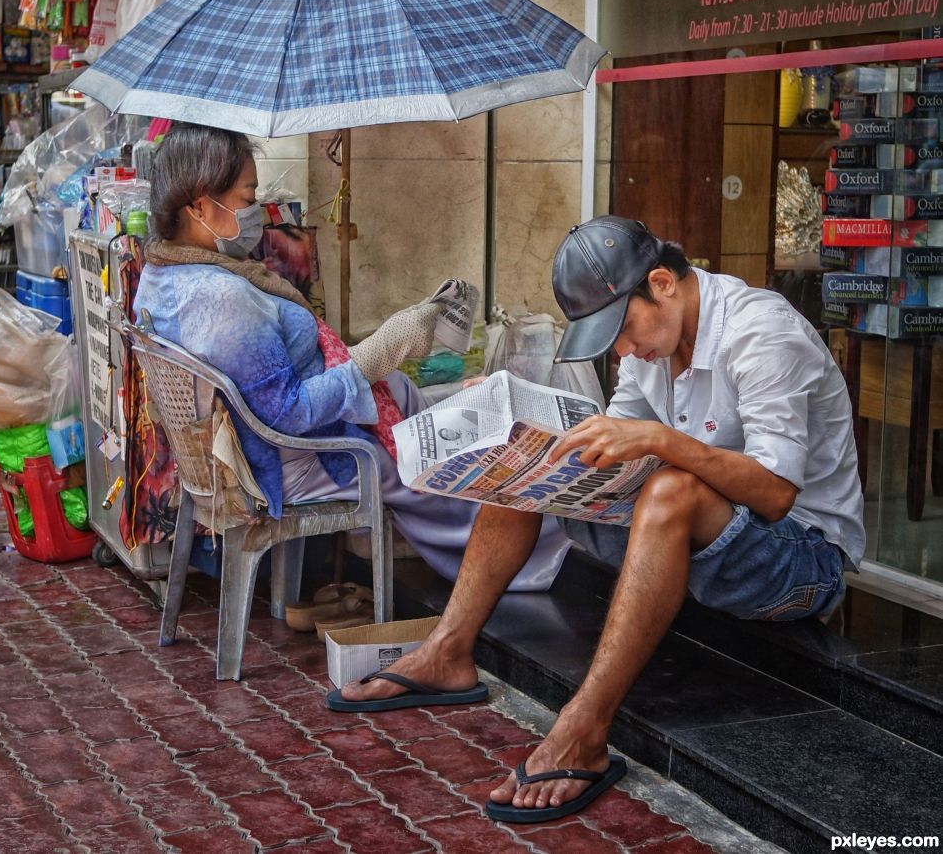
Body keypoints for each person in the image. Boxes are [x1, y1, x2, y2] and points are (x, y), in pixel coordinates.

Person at [330, 215, 865, 825]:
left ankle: (584, 729)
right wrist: (548, 451)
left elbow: (773, 495)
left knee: (669, 489)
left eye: (624, 330)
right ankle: (448, 651)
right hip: (698, 539)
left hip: (800, 561)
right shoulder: (653, 339)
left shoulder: (761, 334)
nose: (624, 351)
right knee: (528, 463)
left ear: (662, 283)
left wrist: (660, 440)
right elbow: (620, 441)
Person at [132, 123, 570, 588]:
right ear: (200, 204)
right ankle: (530, 560)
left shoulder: (162, 274)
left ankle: (531, 525)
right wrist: (379, 352)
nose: (256, 211)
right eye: (247, 199)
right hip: (305, 457)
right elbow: (288, 413)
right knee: (452, 469)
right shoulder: (221, 299)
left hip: (311, 428)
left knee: (469, 416)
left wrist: (378, 358)